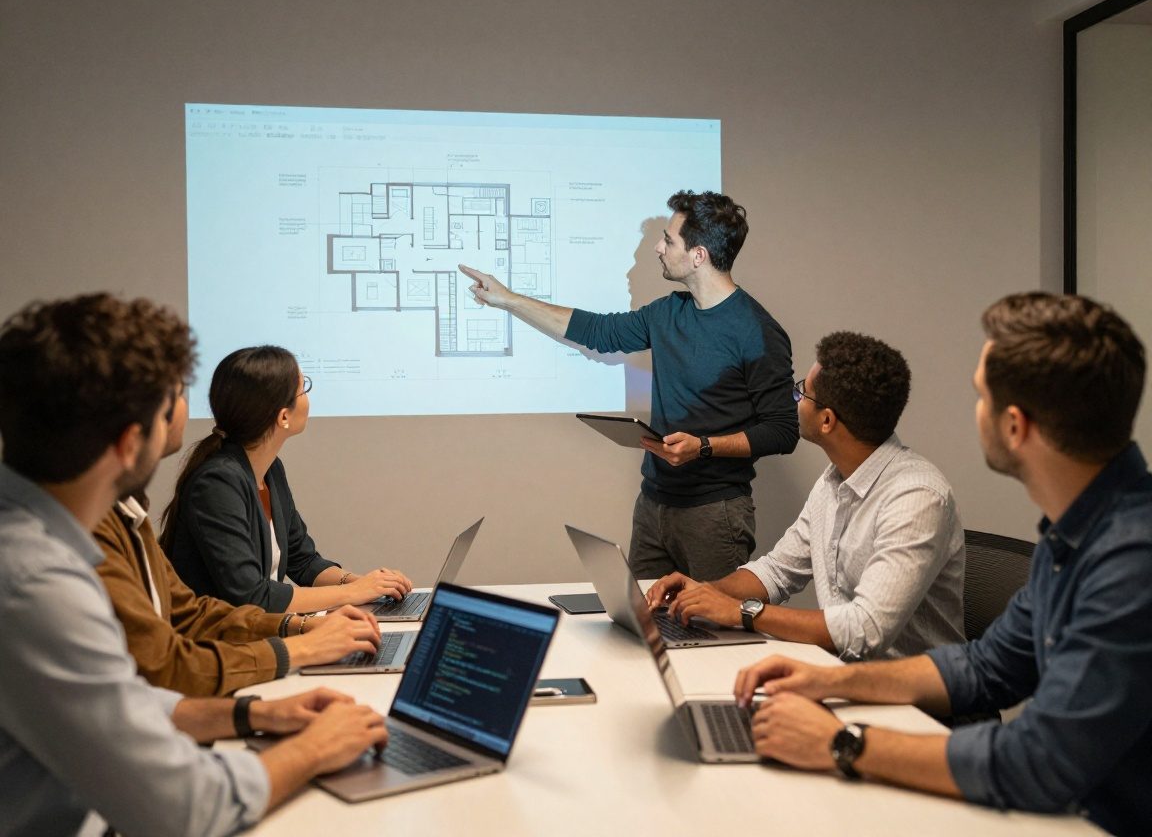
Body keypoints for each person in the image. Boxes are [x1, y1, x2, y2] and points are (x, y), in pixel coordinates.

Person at [733, 293, 1152, 836]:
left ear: (1015, 426)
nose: (976, 408)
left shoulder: (1131, 560)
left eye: (981, 396)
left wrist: (841, 742)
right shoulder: (1076, 533)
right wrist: (823, 682)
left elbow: (1041, 761)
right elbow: (984, 668)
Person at [0, 293, 387, 837]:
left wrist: (249, 714)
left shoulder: (77, 528)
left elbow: (129, 697)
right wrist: (315, 748)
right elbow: (186, 806)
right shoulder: (35, 583)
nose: (189, 408)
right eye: (177, 397)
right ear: (130, 442)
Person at [460, 190, 797, 580]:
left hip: (715, 514)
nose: (659, 247)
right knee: (643, 625)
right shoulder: (669, 311)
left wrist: (703, 447)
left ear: (698, 255)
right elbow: (600, 331)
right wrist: (507, 300)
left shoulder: (757, 331)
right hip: (653, 505)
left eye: (669, 240)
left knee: (714, 631)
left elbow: (783, 431)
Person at [647, 331, 965, 661]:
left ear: (826, 421)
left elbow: (864, 631)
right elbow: (776, 572)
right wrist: (705, 593)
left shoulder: (917, 498)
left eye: (802, 393)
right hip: (843, 674)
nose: (795, 400)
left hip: (916, 701)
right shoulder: (834, 480)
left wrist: (742, 612)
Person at [95, 377, 384, 697]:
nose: (183, 404)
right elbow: (247, 601)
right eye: (177, 394)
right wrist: (313, 636)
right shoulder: (216, 482)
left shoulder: (129, 516)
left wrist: (304, 625)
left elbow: (192, 612)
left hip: (228, 662)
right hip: (214, 670)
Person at [161, 345, 412, 613]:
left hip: (257, 634)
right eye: (303, 388)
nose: (307, 397)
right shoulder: (216, 484)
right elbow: (253, 597)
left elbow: (303, 562)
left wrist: (366, 584)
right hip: (219, 645)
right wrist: (351, 592)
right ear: (283, 416)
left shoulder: (270, 470)